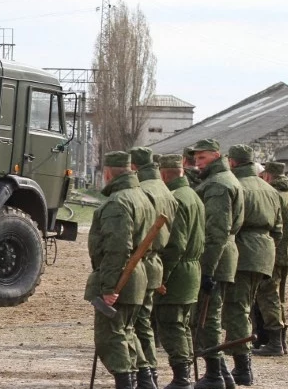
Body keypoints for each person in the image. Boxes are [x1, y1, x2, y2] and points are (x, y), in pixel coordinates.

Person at [86, 151, 156, 389]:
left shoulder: (118, 202)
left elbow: (117, 249)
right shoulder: (143, 196)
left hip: (122, 278)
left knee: (111, 337)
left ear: (107, 173)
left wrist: (109, 287)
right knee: (128, 332)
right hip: (138, 275)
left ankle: (127, 384)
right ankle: (145, 382)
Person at [223, 145, 280, 385]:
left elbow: (229, 225)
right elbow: (278, 229)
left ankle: (243, 367)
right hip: (264, 253)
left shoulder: (236, 187)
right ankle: (243, 358)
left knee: (237, 309)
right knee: (245, 307)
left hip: (242, 252)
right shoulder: (269, 188)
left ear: (233, 163)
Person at [191, 139, 244, 389]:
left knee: (208, 316)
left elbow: (217, 232)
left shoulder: (217, 185)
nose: (197, 163)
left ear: (216, 155)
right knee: (209, 314)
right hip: (223, 254)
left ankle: (214, 375)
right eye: (196, 158)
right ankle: (223, 374)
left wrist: (207, 270)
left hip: (216, 257)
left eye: (202, 158)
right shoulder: (223, 179)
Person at [129, 147, 178, 389]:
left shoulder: (142, 191)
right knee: (145, 322)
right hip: (156, 260)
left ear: (134, 168)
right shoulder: (166, 191)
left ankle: (144, 373)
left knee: (132, 322)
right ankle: (150, 372)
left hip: (140, 261)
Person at [155, 154, 205, 389]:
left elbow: (176, 244)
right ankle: (184, 374)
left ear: (164, 175)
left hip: (178, 271)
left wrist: (162, 277)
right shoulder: (193, 195)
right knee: (183, 324)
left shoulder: (175, 199)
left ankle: (181, 378)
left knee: (171, 325)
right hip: (192, 267)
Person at [253, 162, 288, 357]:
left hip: (272, 254)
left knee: (268, 297)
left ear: (267, 176)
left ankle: (275, 341)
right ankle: (280, 340)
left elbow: (272, 226)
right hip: (287, 252)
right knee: (279, 298)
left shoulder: (273, 196)